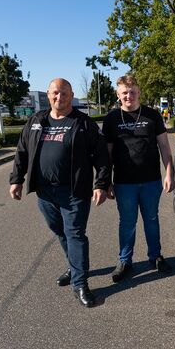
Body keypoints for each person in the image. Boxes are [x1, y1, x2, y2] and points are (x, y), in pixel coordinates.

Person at [9, 78, 110, 308]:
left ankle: (80, 283)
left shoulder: (83, 123)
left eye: (64, 93)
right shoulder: (36, 121)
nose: (59, 97)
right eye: (55, 93)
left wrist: (101, 184)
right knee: (60, 231)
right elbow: (22, 152)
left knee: (75, 234)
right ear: (48, 94)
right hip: (45, 192)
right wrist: (16, 179)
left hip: (74, 191)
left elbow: (102, 156)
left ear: (71, 95)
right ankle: (75, 267)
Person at [102, 75, 175, 282]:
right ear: (118, 95)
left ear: (139, 93)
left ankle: (155, 256)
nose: (129, 95)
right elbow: (107, 154)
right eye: (124, 92)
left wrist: (169, 173)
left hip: (151, 181)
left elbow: (164, 146)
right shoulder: (111, 119)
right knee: (127, 223)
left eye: (132, 91)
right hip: (124, 182)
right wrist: (105, 181)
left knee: (151, 220)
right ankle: (125, 260)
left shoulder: (152, 115)